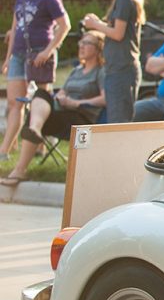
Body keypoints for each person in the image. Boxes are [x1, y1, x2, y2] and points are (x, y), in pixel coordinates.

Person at [2, 32, 105, 186]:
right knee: (41, 93)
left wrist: (76, 103)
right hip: (63, 111)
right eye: (80, 43)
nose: (81, 46)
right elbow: (63, 91)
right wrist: (61, 98)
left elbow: (104, 99)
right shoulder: (76, 70)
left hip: (81, 117)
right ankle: (34, 129)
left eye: (87, 43)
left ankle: (20, 169)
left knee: (35, 113)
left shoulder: (101, 71)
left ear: (98, 49)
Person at [2, 0, 70, 161]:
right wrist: (8, 58)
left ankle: (39, 142)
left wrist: (48, 51)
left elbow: (64, 25)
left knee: (41, 101)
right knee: (15, 103)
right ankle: (4, 151)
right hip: (19, 55)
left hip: (40, 55)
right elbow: (15, 27)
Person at [82, 0, 145, 123]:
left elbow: (118, 33)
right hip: (115, 70)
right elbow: (115, 31)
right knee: (115, 121)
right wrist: (97, 23)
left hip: (122, 71)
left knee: (119, 124)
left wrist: (95, 25)